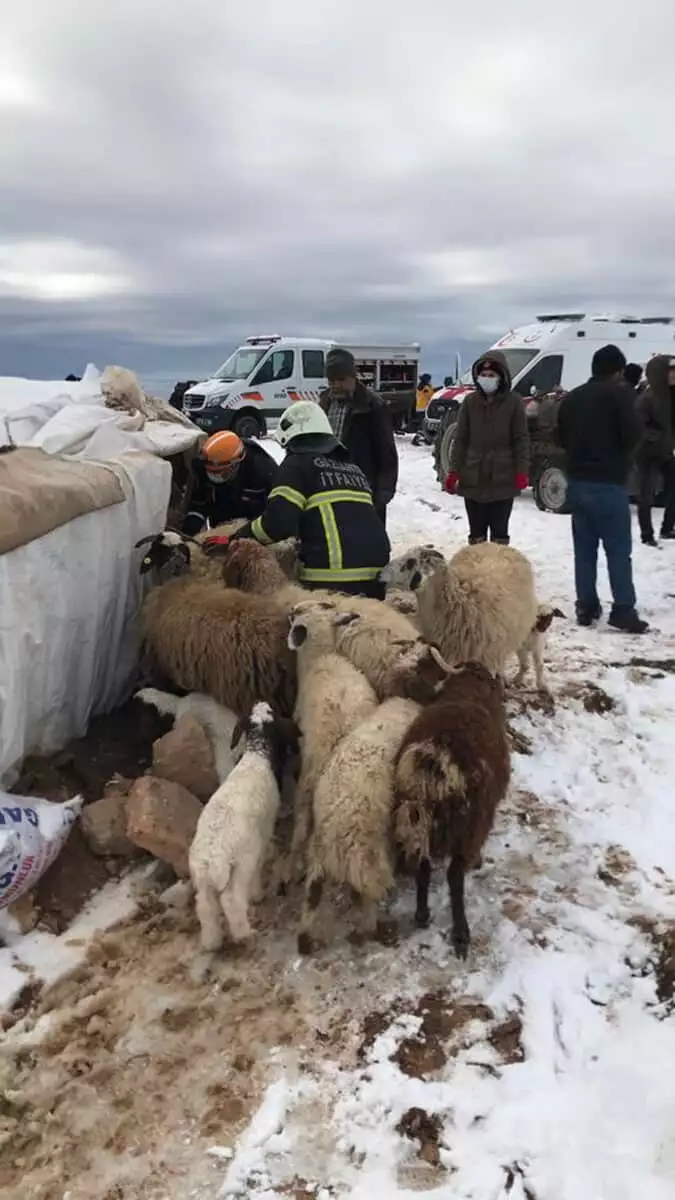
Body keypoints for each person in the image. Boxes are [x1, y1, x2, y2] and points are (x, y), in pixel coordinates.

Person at [224, 400, 391, 598]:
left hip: (332, 580)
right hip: (378, 579)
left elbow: (277, 524)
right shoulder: (353, 469)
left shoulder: (297, 464)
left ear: (292, 439)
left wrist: (237, 537)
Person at [557, 344, 647, 633]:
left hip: (578, 482)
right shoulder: (621, 395)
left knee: (584, 551)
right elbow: (634, 434)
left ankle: (586, 605)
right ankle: (623, 609)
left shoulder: (573, 397)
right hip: (608, 482)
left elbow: (560, 435)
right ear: (619, 371)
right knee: (618, 551)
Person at [444, 351, 529, 546]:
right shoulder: (470, 402)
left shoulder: (514, 403)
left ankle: (498, 574)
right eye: (483, 375)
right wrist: (454, 471)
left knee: (500, 534)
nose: (487, 379)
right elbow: (461, 439)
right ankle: (477, 573)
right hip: (473, 478)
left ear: (501, 377)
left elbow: (521, 440)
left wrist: (522, 471)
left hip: (503, 479)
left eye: (491, 376)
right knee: (477, 535)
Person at [319, 347, 398, 528]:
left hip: (363, 488)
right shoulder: (324, 402)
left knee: (367, 541)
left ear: (353, 377)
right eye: (331, 380)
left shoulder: (373, 406)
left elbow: (386, 451)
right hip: (329, 487)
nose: (335, 385)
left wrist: (384, 491)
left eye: (341, 380)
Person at [182, 430, 279, 537]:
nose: (214, 475)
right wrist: (189, 531)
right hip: (221, 524)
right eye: (210, 471)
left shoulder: (262, 471)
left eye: (220, 472)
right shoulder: (202, 469)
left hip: (254, 528)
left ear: (235, 464)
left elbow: (275, 516)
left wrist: (240, 537)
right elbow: (198, 504)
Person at [635, 354, 675, 546]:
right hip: (648, 453)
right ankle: (647, 534)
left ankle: (667, 528)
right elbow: (639, 426)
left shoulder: (671, 396)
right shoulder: (647, 398)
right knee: (647, 496)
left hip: (667, 451)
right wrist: (656, 436)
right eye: (671, 371)